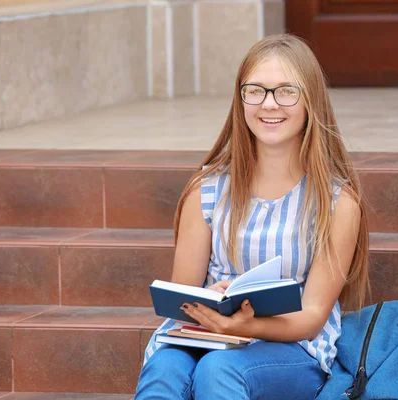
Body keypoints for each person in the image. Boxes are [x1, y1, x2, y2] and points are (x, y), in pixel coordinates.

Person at [135, 33, 370, 400]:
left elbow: (311, 317)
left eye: (286, 91)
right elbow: (180, 295)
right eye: (255, 90)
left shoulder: (337, 202)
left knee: (219, 371)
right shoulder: (208, 189)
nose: (269, 104)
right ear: (240, 98)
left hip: (292, 348)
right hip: (204, 334)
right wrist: (206, 300)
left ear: (311, 100)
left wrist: (250, 325)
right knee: (163, 370)